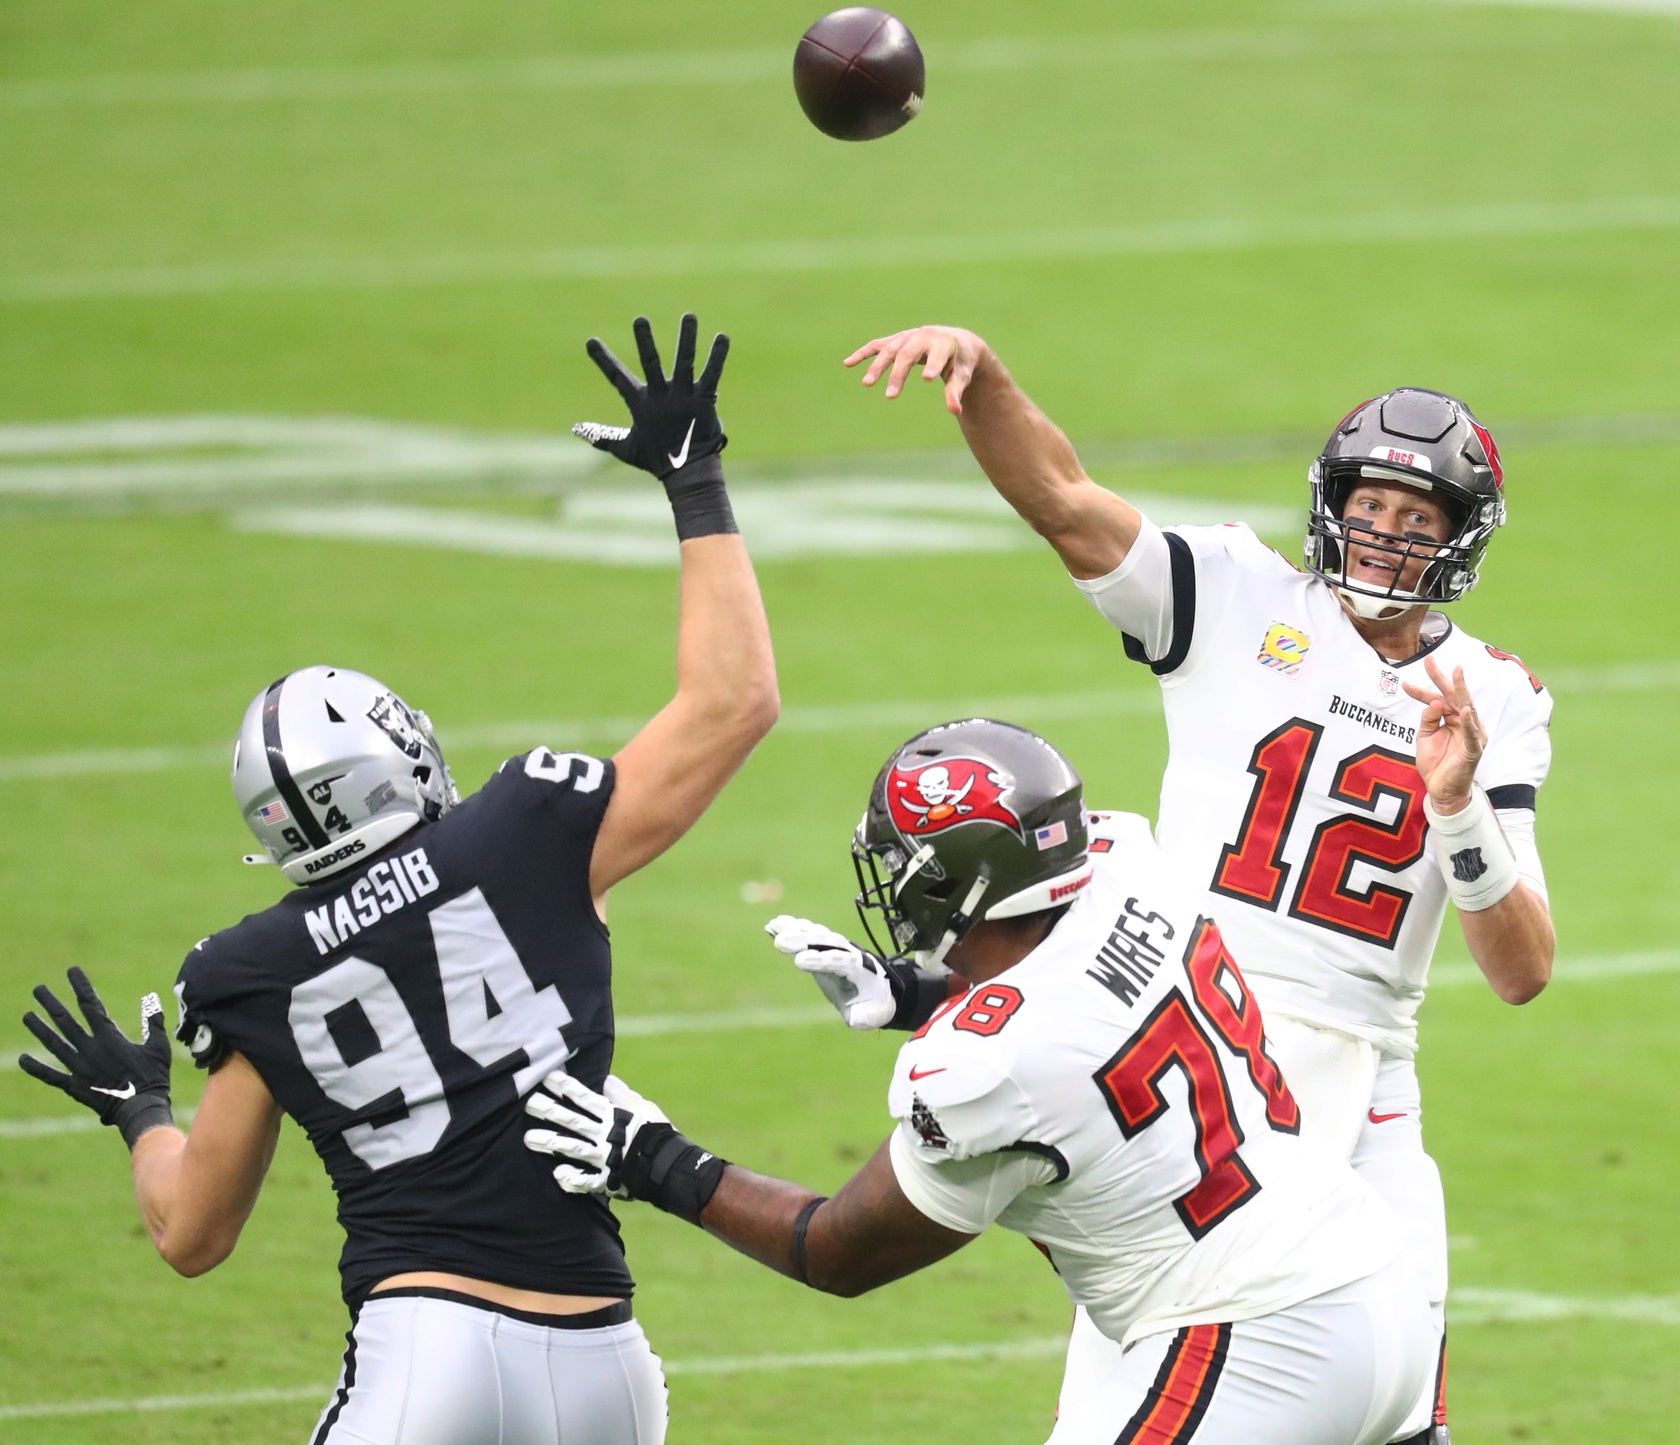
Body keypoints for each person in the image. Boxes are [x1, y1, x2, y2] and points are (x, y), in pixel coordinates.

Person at [17, 313, 777, 1445]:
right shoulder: (525, 831)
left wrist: (139, 1113)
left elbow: (190, 1233)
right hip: (607, 1361)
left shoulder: (251, 969)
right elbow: (734, 702)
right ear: (401, 758)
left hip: (427, 1349)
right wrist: (694, 481)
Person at [812, 326, 1560, 1444]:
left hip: (1366, 1074)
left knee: (1401, 1419)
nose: (1383, 533)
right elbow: (1062, 499)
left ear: (1459, 539)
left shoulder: (1490, 694)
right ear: (1330, 503)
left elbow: (1521, 970)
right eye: (1369, 505)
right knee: (1153, 1380)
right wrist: (984, 376)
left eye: (1418, 519)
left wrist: (1452, 805)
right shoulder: (1234, 593)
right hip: (1187, 1021)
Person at [523, 719, 1435, 1445]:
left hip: (1260, 1336)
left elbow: (836, 1250)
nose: (890, 879)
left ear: (959, 882)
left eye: (904, 864)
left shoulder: (980, 1068)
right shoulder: (1127, 864)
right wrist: (921, 991)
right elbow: (1086, 1003)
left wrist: (652, 1159)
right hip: (1379, 1285)